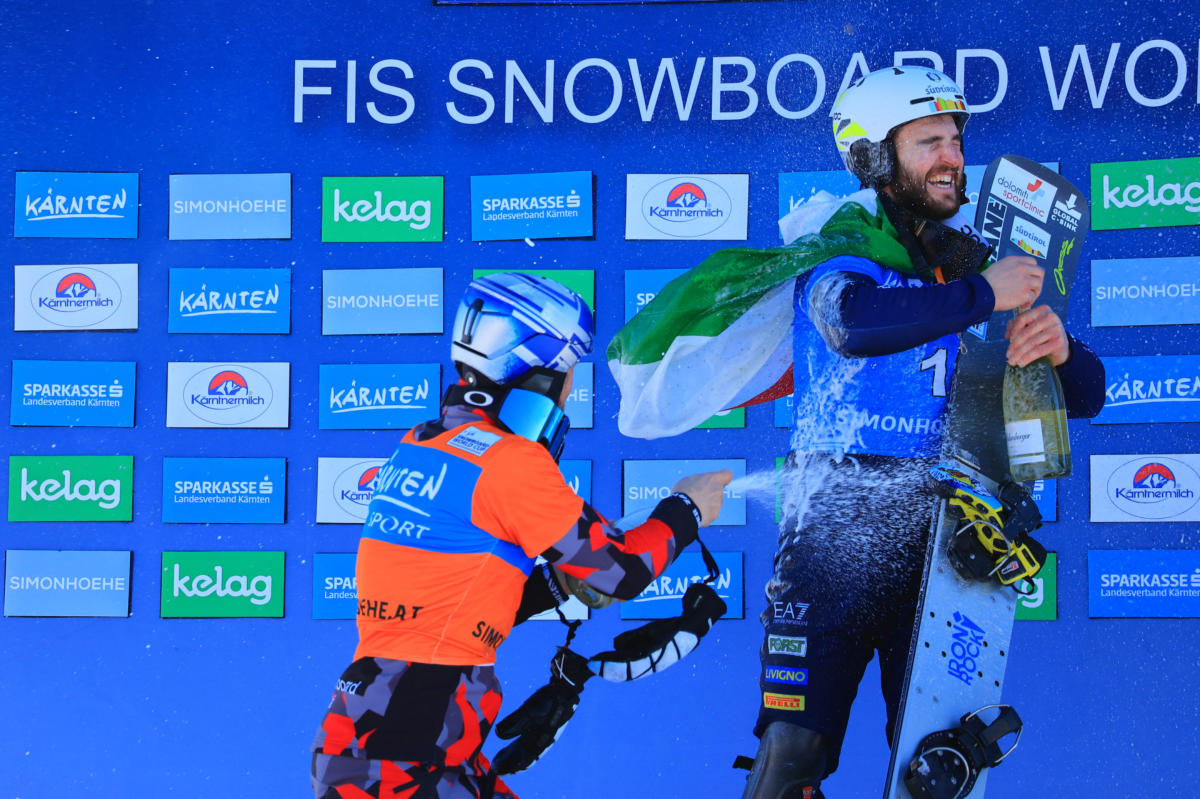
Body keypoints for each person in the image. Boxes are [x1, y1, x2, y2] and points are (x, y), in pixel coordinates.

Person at [739, 67, 1107, 798]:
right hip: (832, 534)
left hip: (946, 536)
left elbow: (1088, 396)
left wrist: (1061, 350)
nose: (953, 157)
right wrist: (983, 295)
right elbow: (850, 323)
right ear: (876, 156)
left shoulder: (971, 261)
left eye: (956, 141)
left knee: (935, 774)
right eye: (928, 141)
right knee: (791, 755)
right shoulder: (838, 245)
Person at [310, 271, 732, 799]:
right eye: (568, 372)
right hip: (406, 744)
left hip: (386, 725)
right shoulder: (510, 461)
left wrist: (558, 585)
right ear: (534, 375)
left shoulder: (422, 443)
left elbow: (450, 601)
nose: (571, 391)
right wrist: (686, 509)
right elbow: (621, 573)